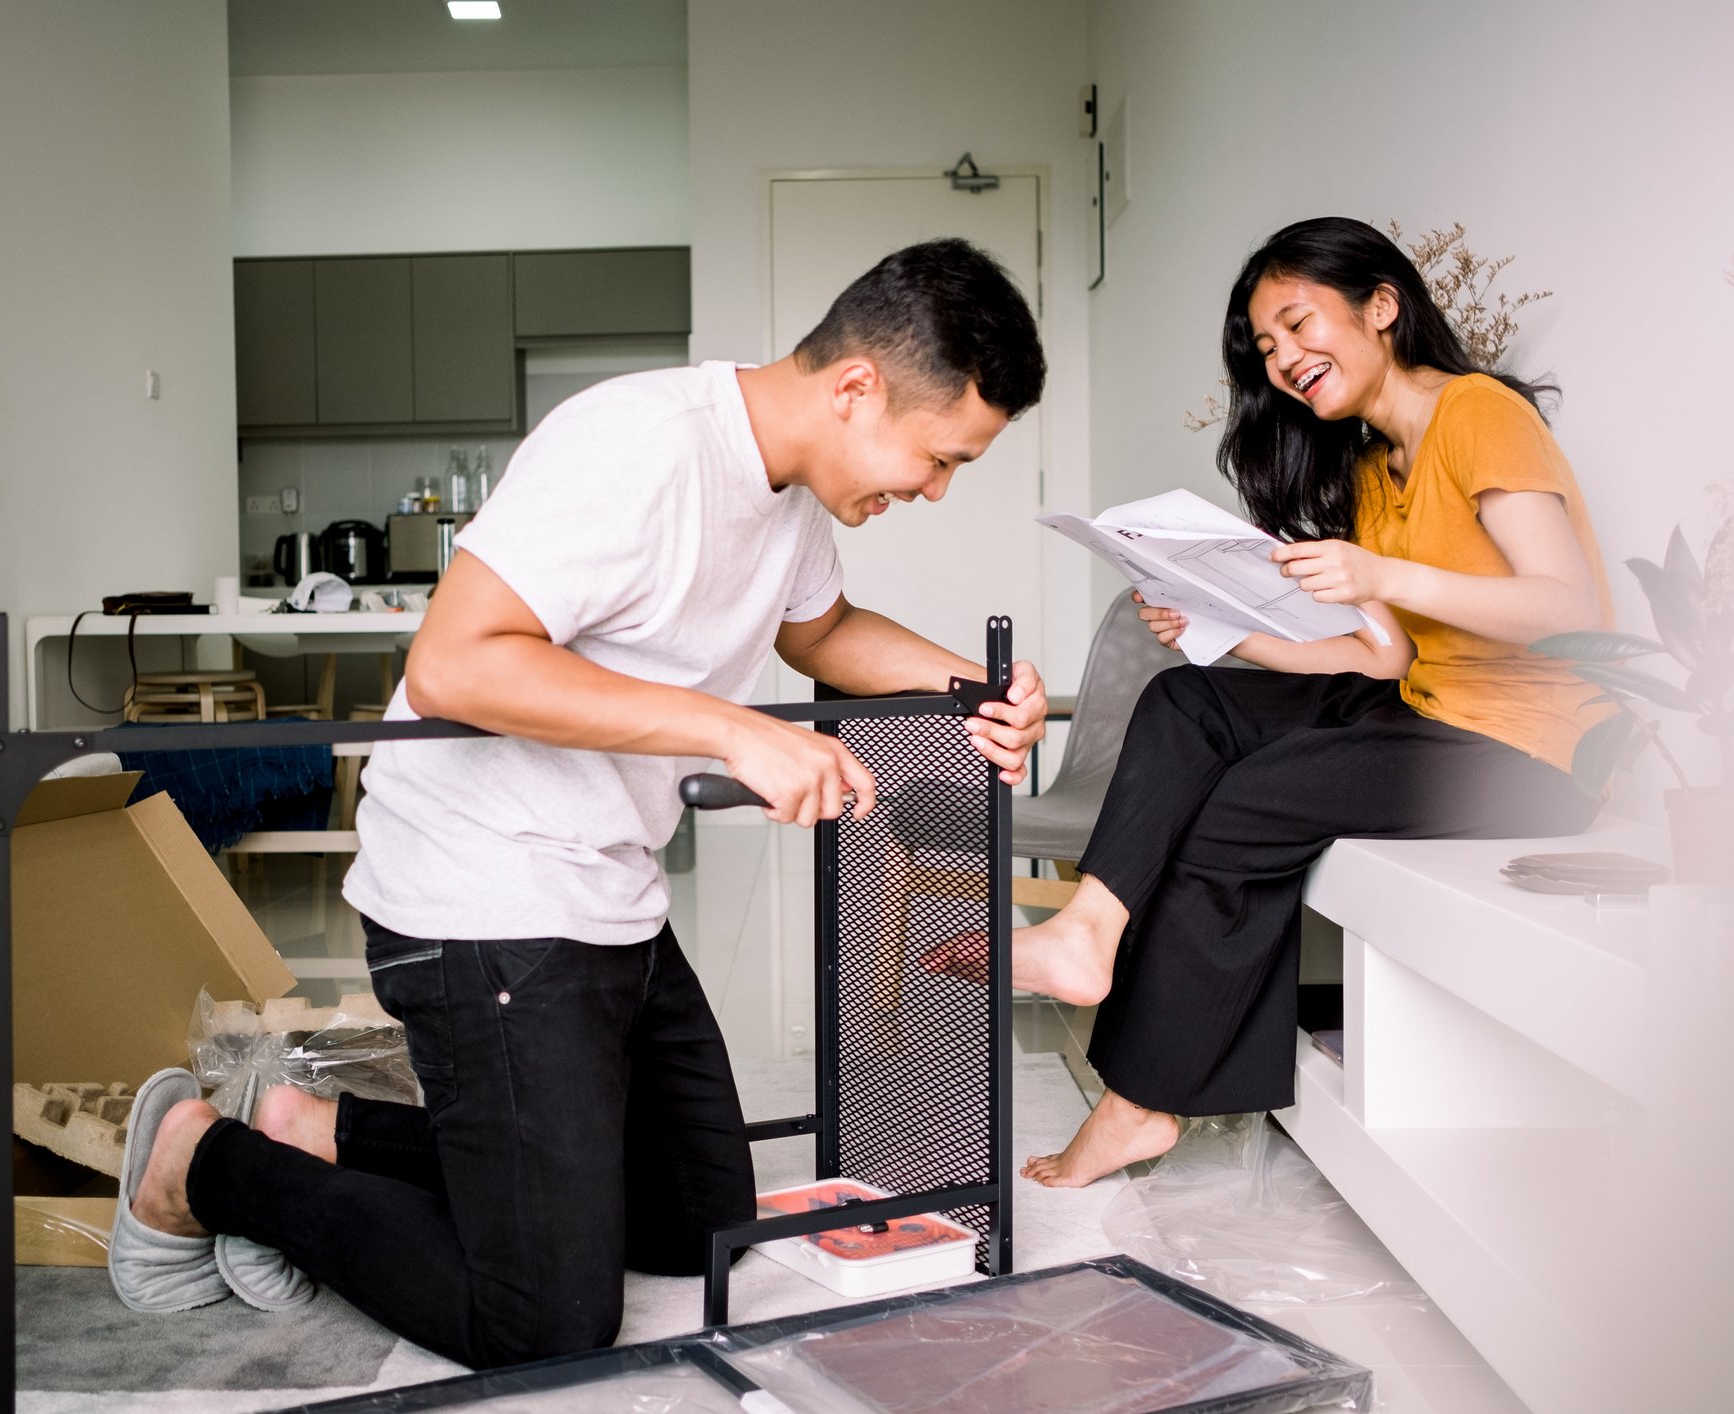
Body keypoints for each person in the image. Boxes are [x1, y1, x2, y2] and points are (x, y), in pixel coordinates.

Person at [108, 239, 1050, 1366]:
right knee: (545, 1318)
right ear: (856, 389)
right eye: (940, 457)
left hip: (608, 888)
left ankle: (322, 1127)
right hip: (481, 893)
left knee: (696, 1220)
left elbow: (824, 635)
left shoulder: (791, 497)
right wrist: (730, 728)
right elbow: (456, 664)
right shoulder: (640, 446)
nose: (935, 490)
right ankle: (202, 1163)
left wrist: (973, 685)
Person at [937, 216, 1611, 1188]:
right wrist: (1223, 634)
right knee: (1183, 702)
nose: (1286, 359)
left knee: (1243, 805)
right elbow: (1381, 661)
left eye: (1299, 325)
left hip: (1530, 750)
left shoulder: (1478, 415)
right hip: (1420, 707)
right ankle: (1087, 932)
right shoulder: (1378, 465)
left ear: (1383, 306)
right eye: (1268, 347)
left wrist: (1379, 569)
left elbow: (1568, 606)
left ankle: (1137, 1106)